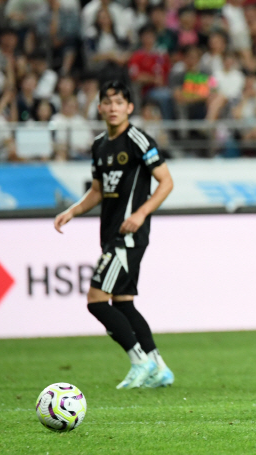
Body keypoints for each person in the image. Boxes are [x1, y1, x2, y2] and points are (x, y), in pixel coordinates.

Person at [54, 80, 175, 389]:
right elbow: (97, 191)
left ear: (129, 108)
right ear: (99, 108)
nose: (112, 108)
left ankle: (139, 361)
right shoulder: (99, 145)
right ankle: (159, 368)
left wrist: (140, 213)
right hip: (110, 234)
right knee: (122, 302)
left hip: (129, 235)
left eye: (118, 102)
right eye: (107, 103)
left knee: (96, 300)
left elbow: (166, 182)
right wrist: (72, 210)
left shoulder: (137, 139)